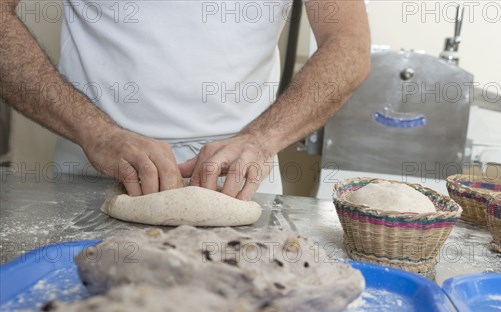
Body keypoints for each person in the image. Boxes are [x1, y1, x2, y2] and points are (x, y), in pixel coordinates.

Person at [0, 0, 371, 199]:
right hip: (93, 172)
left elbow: (347, 44)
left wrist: (261, 140)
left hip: (238, 182)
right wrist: (95, 132)